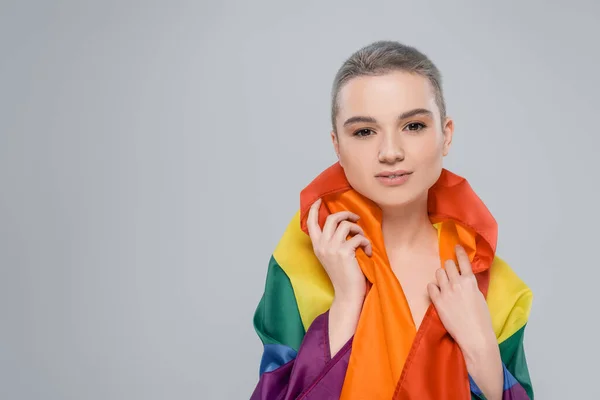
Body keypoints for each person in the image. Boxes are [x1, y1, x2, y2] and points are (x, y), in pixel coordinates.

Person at [249, 40, 534, 400]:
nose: (391, 152)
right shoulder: (298, 264)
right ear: (337, 145)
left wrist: (481, 349)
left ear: (445, 134)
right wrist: (347, 303)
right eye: (364, 132)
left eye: (413, 125)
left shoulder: (493, 284)